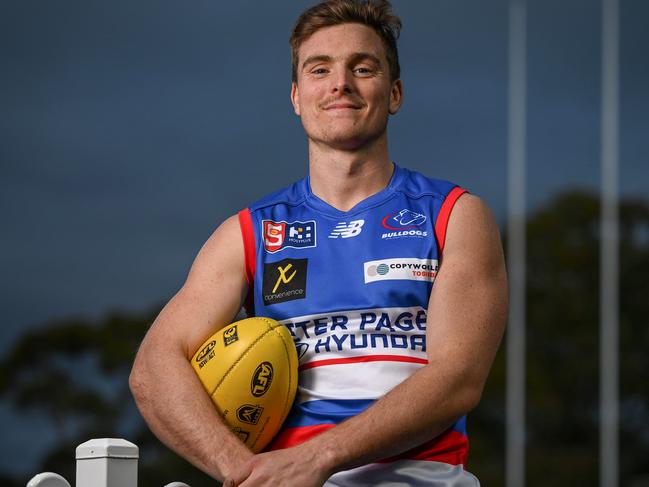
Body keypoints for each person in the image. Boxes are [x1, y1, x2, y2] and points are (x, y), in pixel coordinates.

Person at [129, 0, 507, 485]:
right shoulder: (248, 233)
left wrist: (318, 457)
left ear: (394, 94)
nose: (339, 84)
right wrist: (241, 470)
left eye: (362, 67)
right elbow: (154, 367)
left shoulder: (454, 215)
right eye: (319, 68)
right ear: (296, 96)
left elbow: (457, 380)